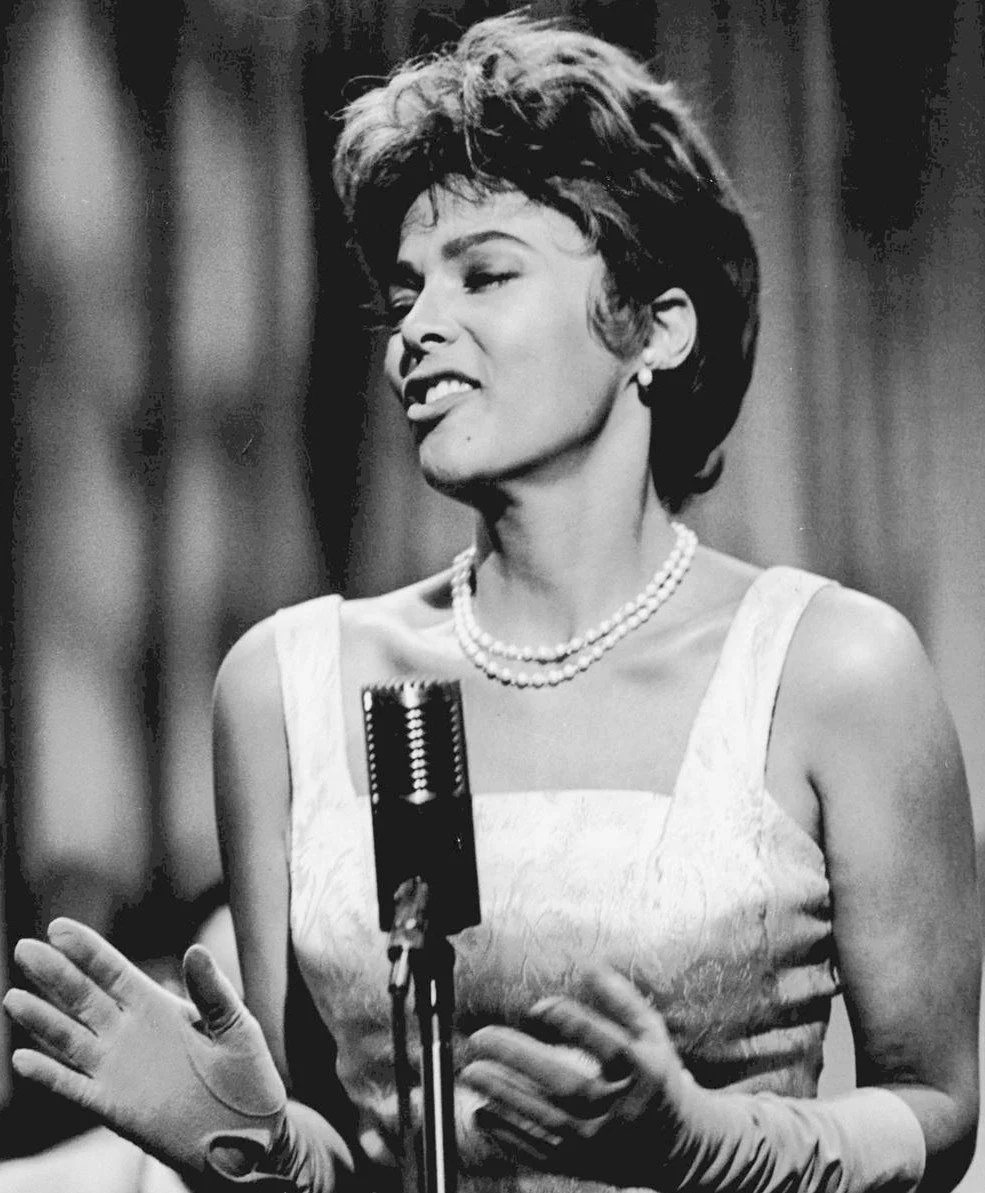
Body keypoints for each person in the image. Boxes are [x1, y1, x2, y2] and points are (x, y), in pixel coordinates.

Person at [3, 12, 980, 1192]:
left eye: (487, 272)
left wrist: (715, 1146)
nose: (416, 327)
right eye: (403, 292)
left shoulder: (836, 670)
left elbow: (937, 1108)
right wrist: (243, 1137)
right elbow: (337, 1155)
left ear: (655, 329)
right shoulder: (290, 683)